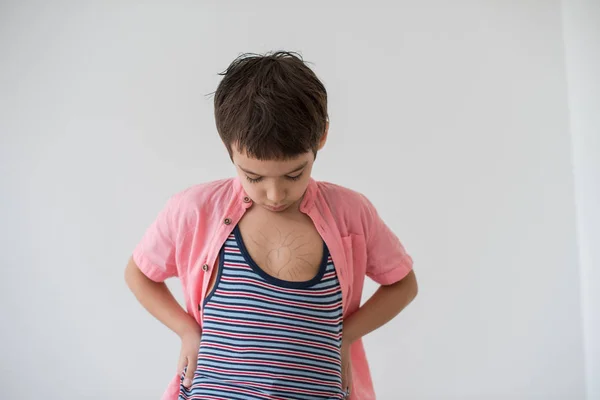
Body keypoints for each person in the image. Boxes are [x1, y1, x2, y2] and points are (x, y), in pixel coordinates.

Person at [125, 51, 418, 400]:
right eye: (253, 176)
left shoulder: (351, 213)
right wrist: (187, 331)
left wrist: (347, 335)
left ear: (321, 137)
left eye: (295, 174)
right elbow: (139, 274)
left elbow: (403, 284)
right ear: (228, 148)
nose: (275, 193)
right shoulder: (194, 210)